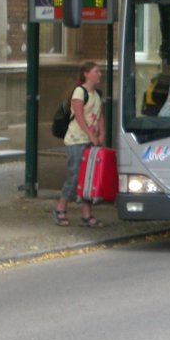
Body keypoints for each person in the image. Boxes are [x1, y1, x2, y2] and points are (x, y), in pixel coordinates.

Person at [55, 61, 106, 228]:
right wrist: (91, 134)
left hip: (90, 140)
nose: (99, 74)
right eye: (96, 71)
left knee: (89, 177)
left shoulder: (96, 95)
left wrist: (101, 133)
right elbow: (78, 116)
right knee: (75, 174)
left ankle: (87, 214)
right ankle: (61, 208)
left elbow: (98, 116)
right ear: (86, 74)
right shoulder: (79, 92)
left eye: (99, 72)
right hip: (77, 139)